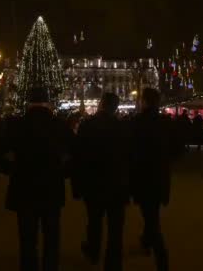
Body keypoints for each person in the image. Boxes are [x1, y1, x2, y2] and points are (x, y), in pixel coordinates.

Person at [0, 87, 74, 271]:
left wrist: (11, 169)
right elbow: (77, 153)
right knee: (51, 236)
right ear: (47, 102)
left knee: (27, 239)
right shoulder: (58, 124)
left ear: (28, 102)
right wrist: (63, 172)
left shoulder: (17, 125)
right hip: (52, 186)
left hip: (24, 187)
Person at [72, 93, 129, 271]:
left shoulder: (87, 125)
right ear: (115, 107)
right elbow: (129, 157)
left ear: (100, 104)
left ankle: (93, 251)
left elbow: (78, 156)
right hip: (117, 183)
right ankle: (113, 263)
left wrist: (77, 185)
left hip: (93, 182)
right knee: (115, 228)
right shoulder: (122, 127)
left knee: (94, 221)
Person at [130, 88, 172, 271]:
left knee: (151, 218)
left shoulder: (136, 122)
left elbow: (129, 149)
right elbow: (176, 148)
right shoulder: (165, 122)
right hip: (160, 175)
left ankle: (161, 257)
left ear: (145, 101)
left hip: (143, 175)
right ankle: (146, 241)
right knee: (151, 213)